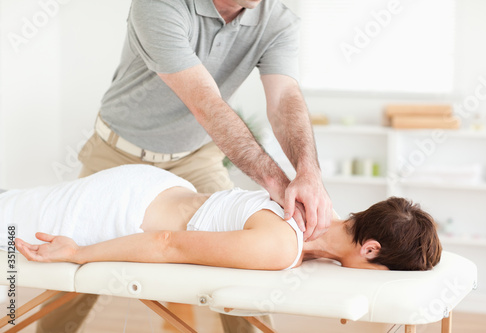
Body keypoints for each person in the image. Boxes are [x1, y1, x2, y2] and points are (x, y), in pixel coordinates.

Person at [59, 0, 333, 331]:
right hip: (118, 152)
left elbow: (284, 97)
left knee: (243, 262)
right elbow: (205, 103)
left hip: (195, 155)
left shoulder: (277, 19)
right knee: (73, 260)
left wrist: (307, 173)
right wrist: (277, 182)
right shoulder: (159, 5)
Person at [3, 165, 442, 272]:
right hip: (124, 210)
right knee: (9, 216)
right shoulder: (282, 246)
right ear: (370, 249)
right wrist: (79, 253)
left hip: (154, 187)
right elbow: (166, 244)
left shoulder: (315, 217)